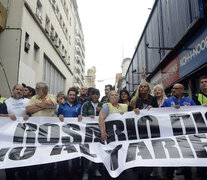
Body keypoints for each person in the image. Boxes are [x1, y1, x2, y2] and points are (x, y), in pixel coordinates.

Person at [162, 83, 196, 180]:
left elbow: (195, 113)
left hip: (186, 136)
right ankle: (170, 177)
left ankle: (188, 177)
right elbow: (160, 114)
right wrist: (171, 109)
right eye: (173, 88)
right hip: (171, 135)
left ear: (182, 89)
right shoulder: (167, 101)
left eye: (176, 88)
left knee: (187, 158)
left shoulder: (189, 101)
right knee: (172, 157)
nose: (174, 90)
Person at [26, 82, 57, 180]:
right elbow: (28, 109)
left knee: (48, 153)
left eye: (37, 88)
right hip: (35, 131)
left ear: (44, 90)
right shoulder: (34, 98)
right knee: (34, 152)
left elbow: (51, 104)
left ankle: (48, 175)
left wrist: (37, 105)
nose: (35, 90)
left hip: (49, 131)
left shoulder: (52, 96)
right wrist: (43, 105)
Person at [0, 84, 30, 180]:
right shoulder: (6, 102)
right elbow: (0, 116)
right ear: (13, 90)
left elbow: (34, 115)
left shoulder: (28, 102)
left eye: (21, 90)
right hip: (9, 136)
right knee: (10, 159)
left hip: (23, 135)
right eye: (17, 89)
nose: (19, 91)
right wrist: (8, 115)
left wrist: (29, 116)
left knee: (22, 159)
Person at [57, 87, 82, 180]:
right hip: (63, 132)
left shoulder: (79, 106)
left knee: (74, 152)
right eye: (70, 95)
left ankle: (74, 172)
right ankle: (63, 173)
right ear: (68, 95)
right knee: (63, 152)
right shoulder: (62, 105)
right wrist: (59, 116)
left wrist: (80, 117)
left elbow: (81, 117)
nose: (72, 96)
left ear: (76, 96)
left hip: (75, 133)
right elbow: (57, 117)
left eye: (74, 95)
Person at [79, 88, 103, 180]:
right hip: (87, 132)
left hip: (98, 131)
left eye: (97, 94)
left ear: (99, 96)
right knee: (87, 151)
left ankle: (96, 169)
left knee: (97, 151)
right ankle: (85, 171)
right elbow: (82, 117)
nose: (95, 96)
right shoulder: (85, 104)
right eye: (93, 94)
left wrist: (100, 112)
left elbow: (107, 116)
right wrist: (88, 117)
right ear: (90, 95)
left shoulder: (103, 105)